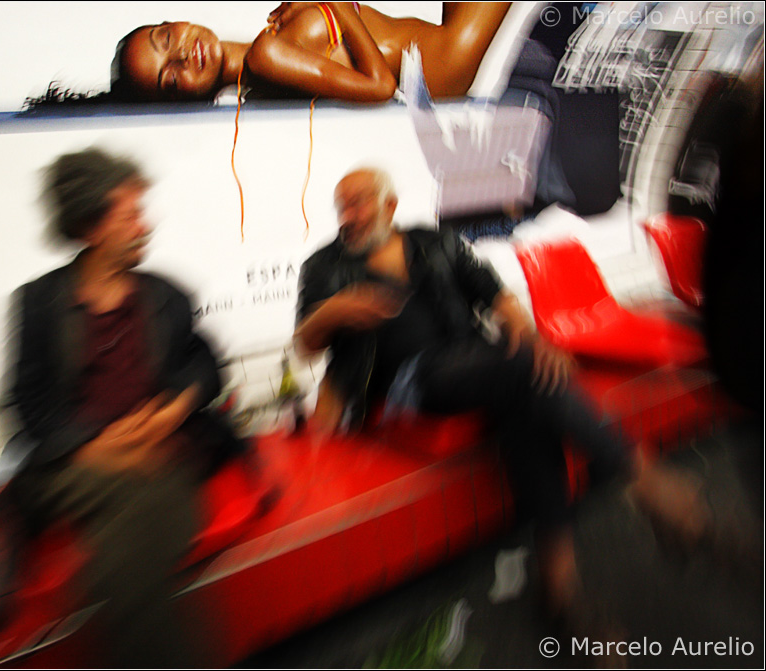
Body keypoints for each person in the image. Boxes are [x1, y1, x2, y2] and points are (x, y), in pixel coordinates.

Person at [294, 167, 711, 643]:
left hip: (472, 359)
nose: (350, 215)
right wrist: (335, 311)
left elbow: (495, 296)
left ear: (389, 206)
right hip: (403, 383)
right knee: (522, 371)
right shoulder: (324, 266)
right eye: (342, 205)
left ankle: (560, 588)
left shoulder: (433, 241)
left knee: (528, 400)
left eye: (360, 201)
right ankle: (646, 482)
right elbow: (306, 342)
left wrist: (524, 331)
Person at [7, 147, 240, 666]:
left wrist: (174, 410)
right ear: (90, 226)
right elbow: (28, 406)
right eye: (130, 213)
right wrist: (93, 449)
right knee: (147, 498)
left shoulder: (165, 295)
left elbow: (207, 367)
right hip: (74, 465)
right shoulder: (39, 304)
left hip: (161, 450)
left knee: (131, 534)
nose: (144, 225)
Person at [110, 2, 511, 103]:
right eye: (170, 77)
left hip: (441, 44)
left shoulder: (268, 41)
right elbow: (381, 86)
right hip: (446, 61)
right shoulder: (265, 57)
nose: (182, 54)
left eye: (165, 38)